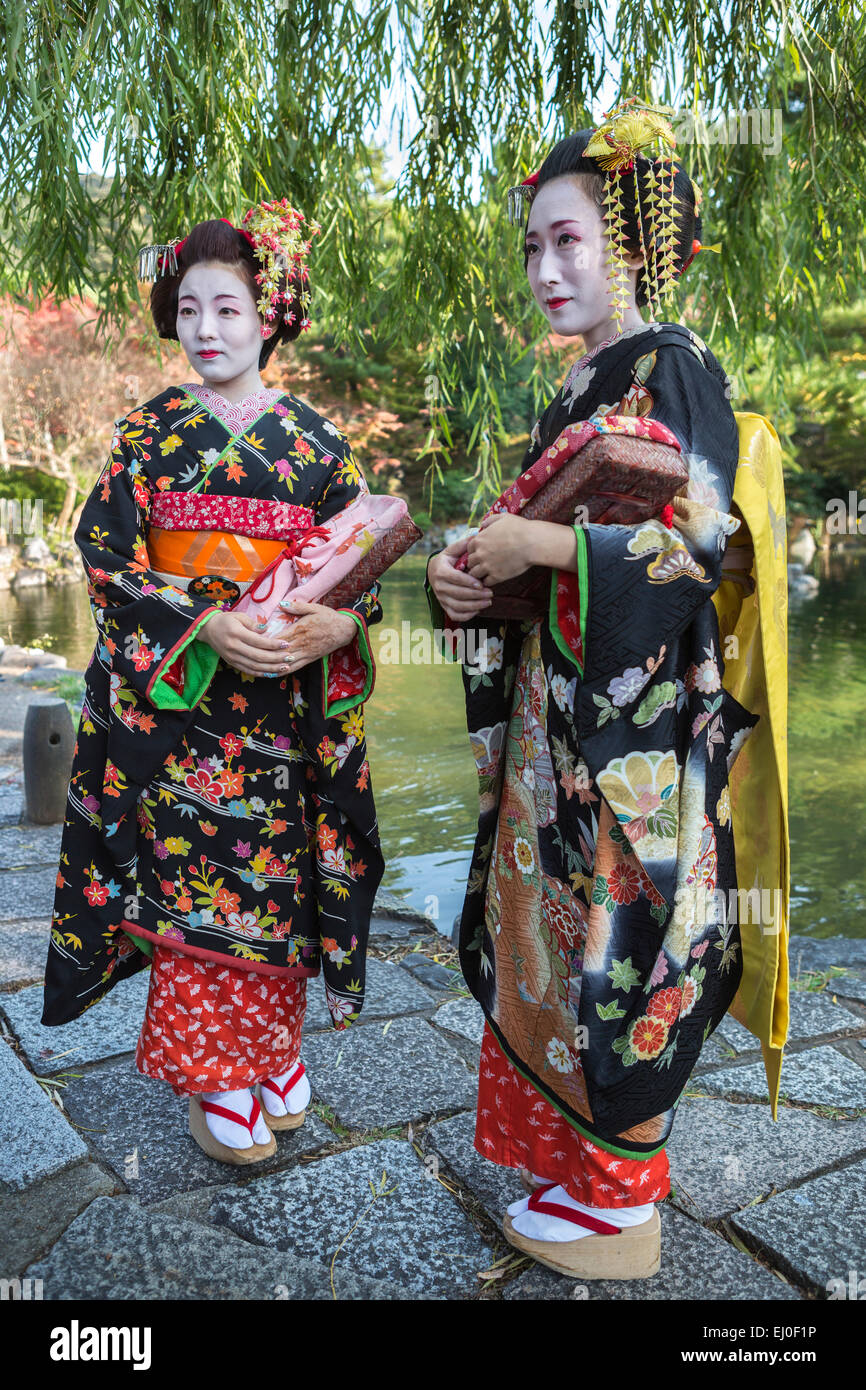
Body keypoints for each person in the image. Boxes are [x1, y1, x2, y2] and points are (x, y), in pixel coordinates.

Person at [426, 101, 777, 1279]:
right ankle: (581, 1174)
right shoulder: (580, 386)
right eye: (530, 246)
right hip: (560, 719)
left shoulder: (669, 366)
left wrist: (553, 554)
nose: (543, 267)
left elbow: (700, 541)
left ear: (634, 241)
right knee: (560, 944)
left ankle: (621, 1203)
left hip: (636, 733)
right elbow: (534, 553)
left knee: (627, 944)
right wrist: (472, 582)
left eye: (567, 239)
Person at [41, 203, 385, 1164]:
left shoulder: (322, 445)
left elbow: (362, 569)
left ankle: (271, 1053)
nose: (206, 330)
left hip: (280, 710)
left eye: (228, 309)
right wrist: (202, 624)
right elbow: (105, 555)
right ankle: (216, 1071)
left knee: (276, 884)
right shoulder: (145, 435)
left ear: (269, 316)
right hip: (182, 714)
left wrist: (340, 623)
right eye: (189, 309)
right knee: (192, 880)